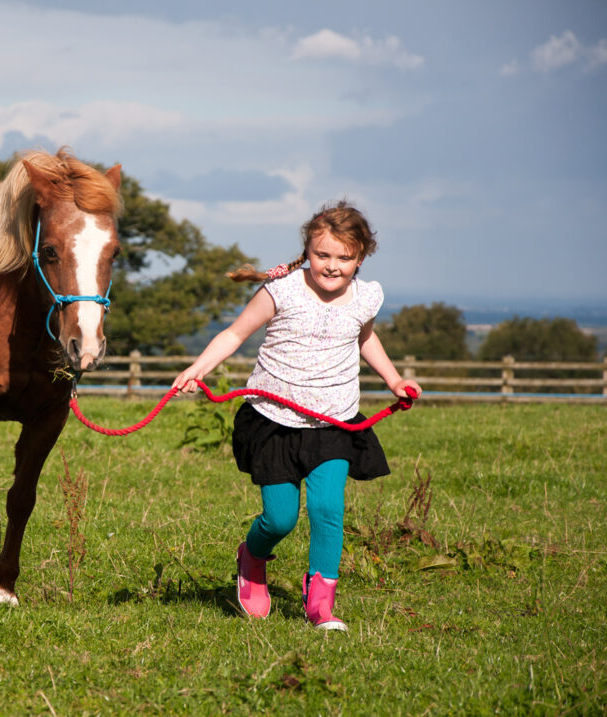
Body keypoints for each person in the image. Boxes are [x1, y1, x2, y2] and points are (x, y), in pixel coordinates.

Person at [173, 200, 422, 629]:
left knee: (328, 510)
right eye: (322, 255)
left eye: (344, 258)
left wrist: (395, 381)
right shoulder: (281, 290)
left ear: (360, 257)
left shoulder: (367, 297)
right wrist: (197, 369)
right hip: (274, 422)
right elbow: (235, 333)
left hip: (333, 423)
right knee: (280, 518)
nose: (331, 266)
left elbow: (366, 340)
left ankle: (320, 604)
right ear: (307, 251)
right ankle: (251, 558)